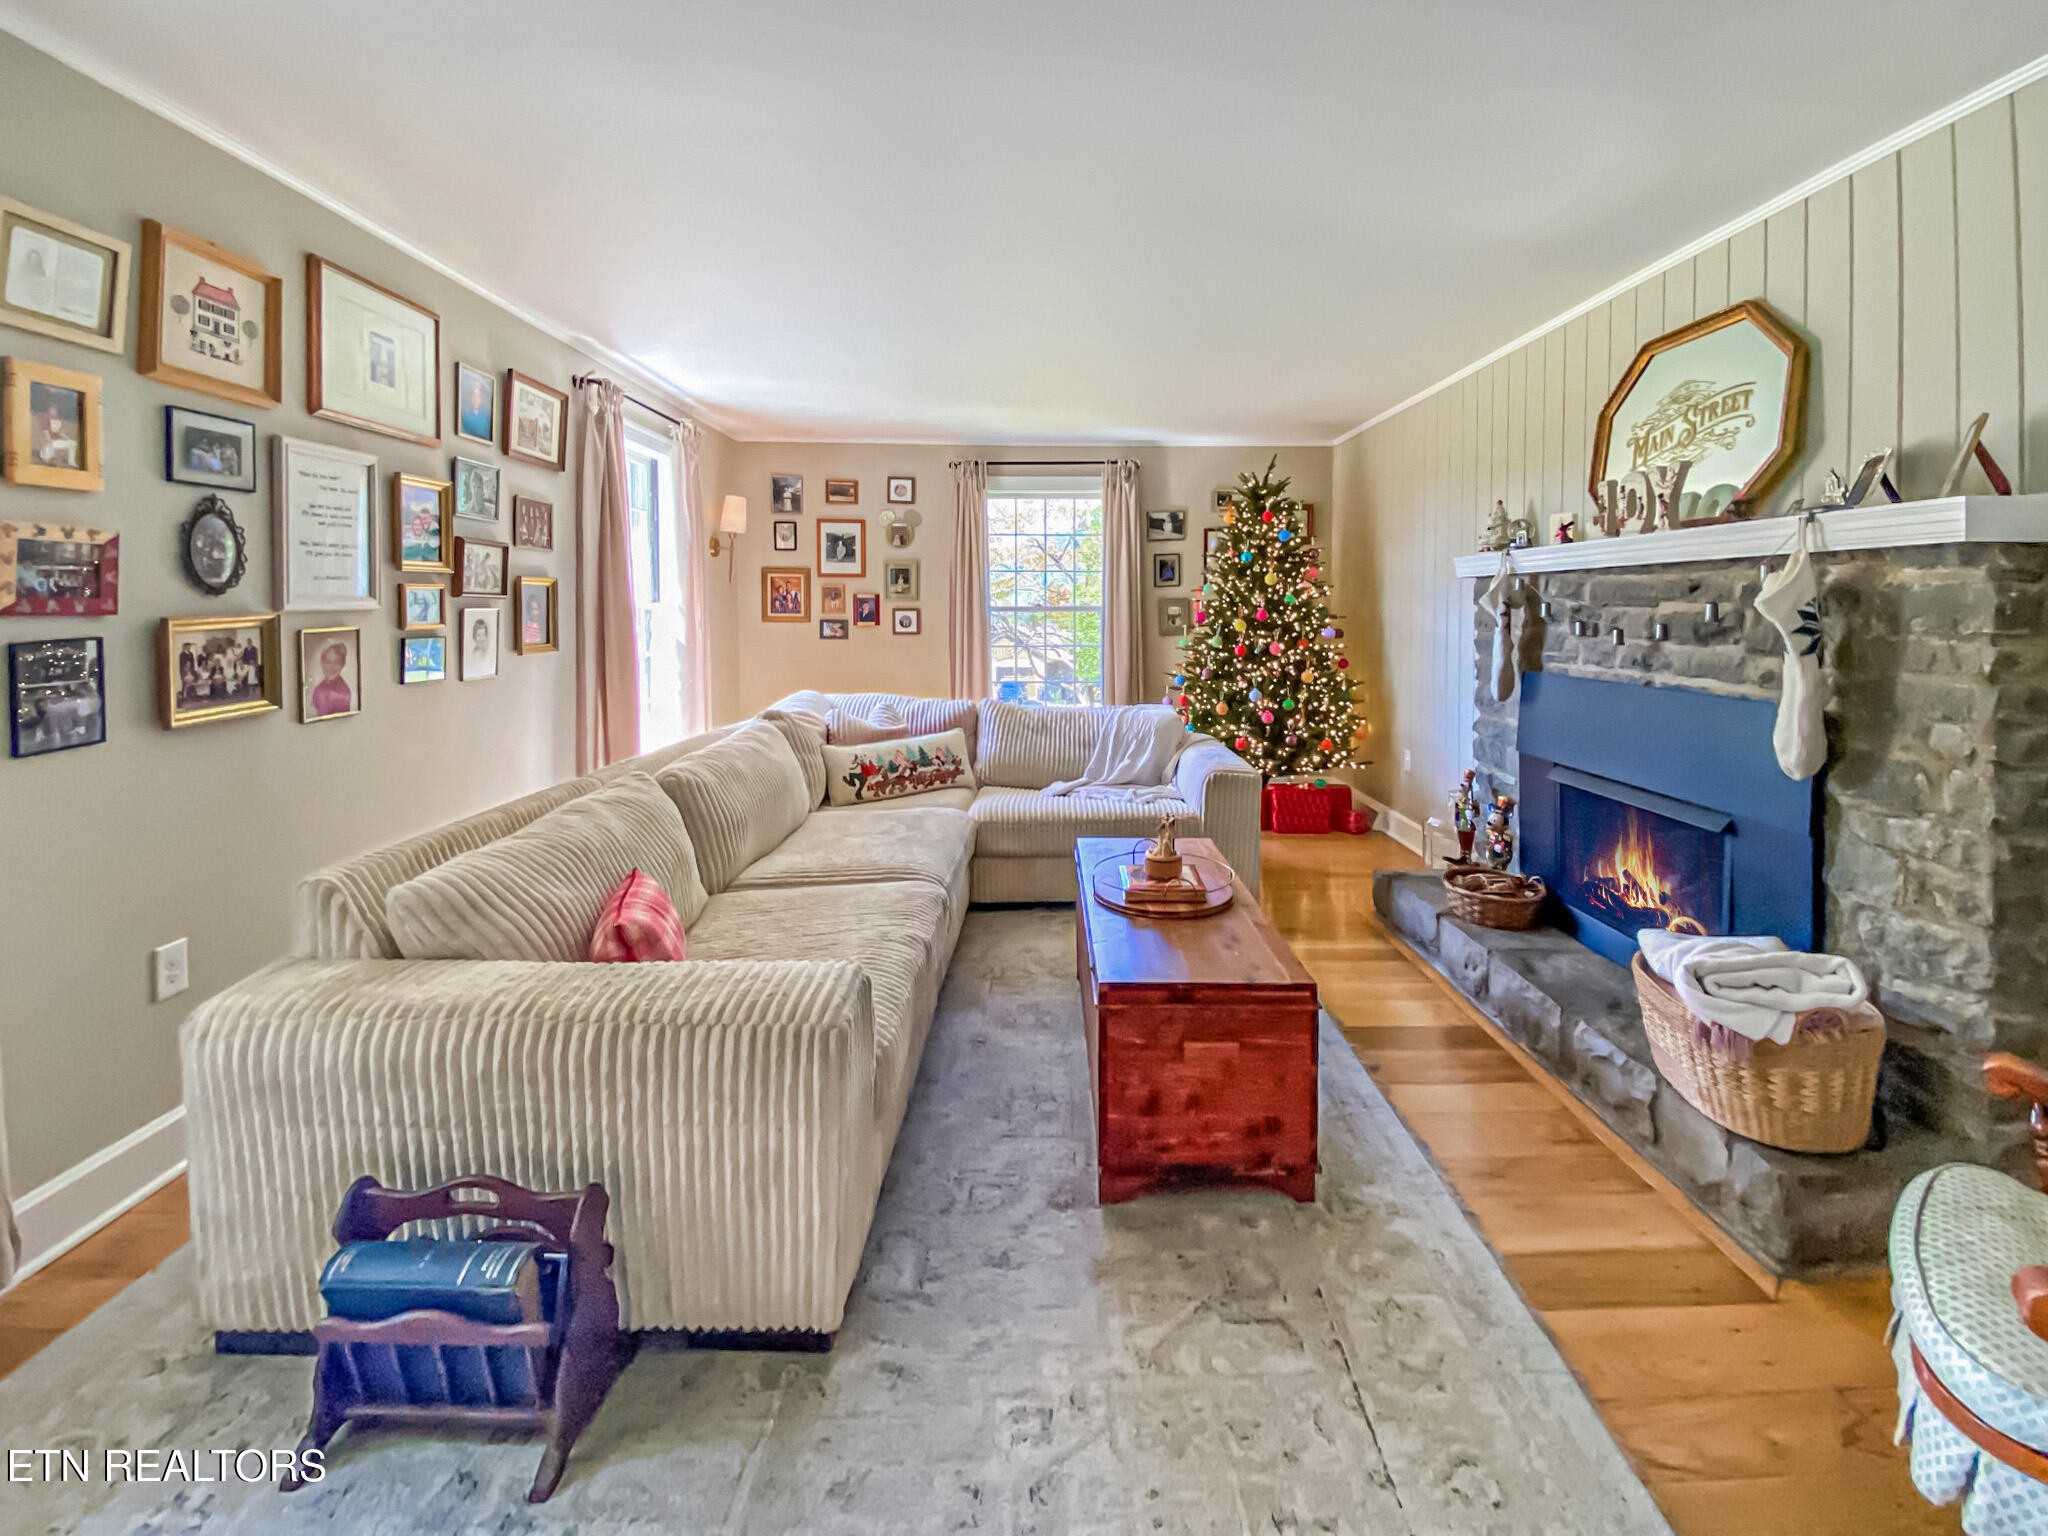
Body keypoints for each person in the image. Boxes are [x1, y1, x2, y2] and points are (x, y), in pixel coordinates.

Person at [309, 641, 352, 717]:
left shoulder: (342, 692)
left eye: (337, 662)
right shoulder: (319, 688)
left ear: (343, 664)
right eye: (328, 662)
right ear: (322, 662)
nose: (331, 667)